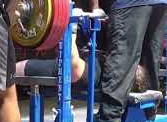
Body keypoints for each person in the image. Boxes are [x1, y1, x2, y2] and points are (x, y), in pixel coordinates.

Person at [16, 30, 151, 97]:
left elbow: (73, 68)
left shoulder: (96, 73)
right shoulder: (106, 68)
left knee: (7, 71)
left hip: (56, 70)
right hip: (58, 62)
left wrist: (71, 29)